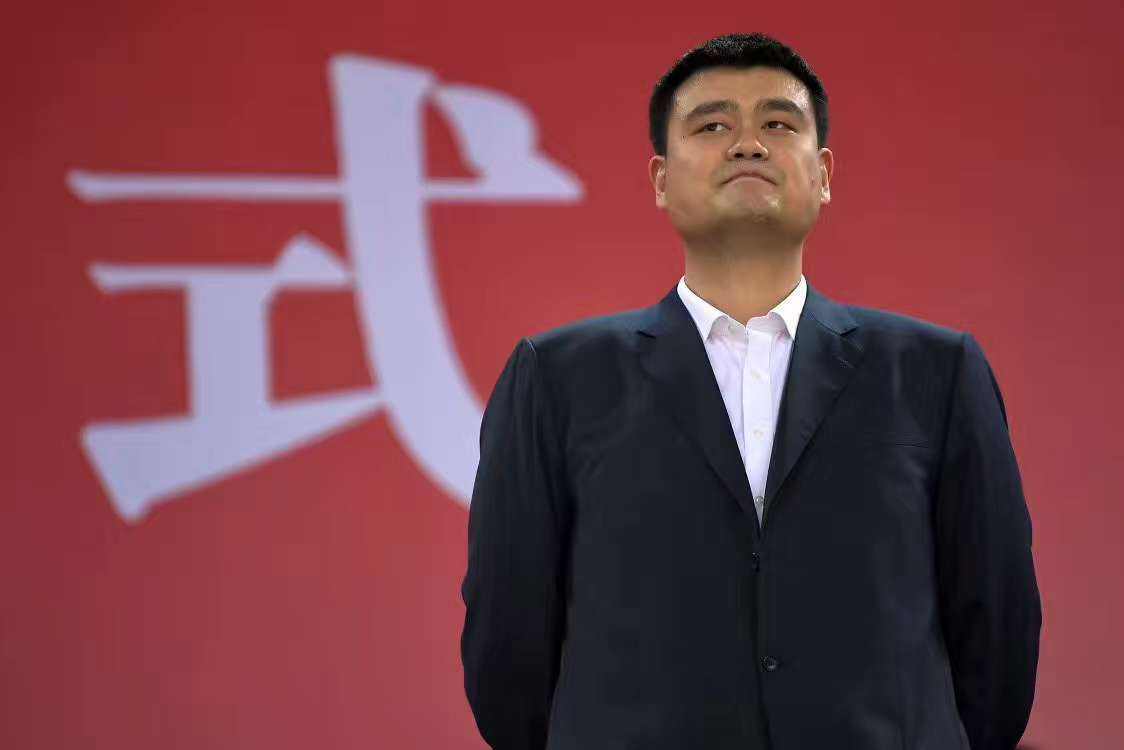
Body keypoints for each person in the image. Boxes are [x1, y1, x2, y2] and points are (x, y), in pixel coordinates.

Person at [460, 32, 1041, 750]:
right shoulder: (557, 378)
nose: (747, 144)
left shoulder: (935, 372)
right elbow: (508, 638)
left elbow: (998, 628)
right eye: (711, 126)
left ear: (823, 174)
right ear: (661, 180)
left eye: (778, 123)